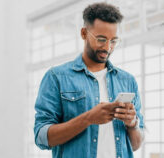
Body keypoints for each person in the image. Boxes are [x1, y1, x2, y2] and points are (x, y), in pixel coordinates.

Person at [34, 2, 144, 158]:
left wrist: (132, 124)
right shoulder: (56, 77)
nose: (107, 48)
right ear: (84, 33)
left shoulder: (127, 81)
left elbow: (136, 145)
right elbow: (42, 137)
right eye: (101, 39)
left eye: (113, 41)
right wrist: (88, 118)